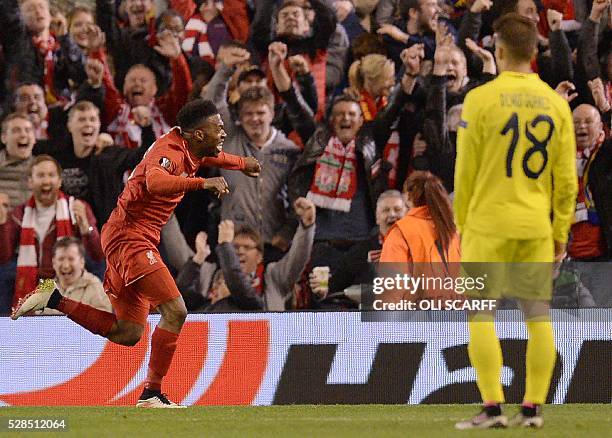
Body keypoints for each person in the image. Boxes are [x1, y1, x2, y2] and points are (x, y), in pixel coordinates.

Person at [11, 99, 262, 408]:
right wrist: (202, 183)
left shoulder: (191, 147)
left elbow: (214, 156)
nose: (223, 132)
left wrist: (241, 162)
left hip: (128, 237)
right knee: (175, 311)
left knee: (128, 332)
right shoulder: (168, 153)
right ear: (198, 134)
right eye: (218, 128)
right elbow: (155, 182)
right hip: (130, 238)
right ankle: (152, 393)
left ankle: (53, 299)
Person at [453, 14, 577, 429]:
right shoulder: (557, 105)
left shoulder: (480, 100)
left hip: (486, 225)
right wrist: (559, 235)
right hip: (535, 228)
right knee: (538, 316)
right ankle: (532, 409)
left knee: (481, 315)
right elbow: (567, 182)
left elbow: (464, 170)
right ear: (535, 50)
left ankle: (492, 409)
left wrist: (461, 224)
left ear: (499, 50)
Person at [0, 154, 103, 308]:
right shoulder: (19, 214)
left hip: (68, 276)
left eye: (51, 175)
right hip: (34, 281)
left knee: (101, 265)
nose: (46, 181)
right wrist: (2, 223)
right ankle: (6, 326)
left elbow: (98, 255)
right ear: (30, 181)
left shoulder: (75, 207)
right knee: (4, 272)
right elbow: (4, 257)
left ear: (59, 181)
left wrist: (86, 228)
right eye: (40, 175)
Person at [40, 236, 112, 315]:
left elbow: (104, 324)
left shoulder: (96, 288)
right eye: (61, 259)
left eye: (71, 259)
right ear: (53, 262)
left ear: (82, 262)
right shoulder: (45, 290)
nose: (66, 266)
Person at [0, 114, 37, 209]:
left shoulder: (43, 168)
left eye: (28, 130)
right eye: (16, 130)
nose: (23, 135)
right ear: (4, 138)